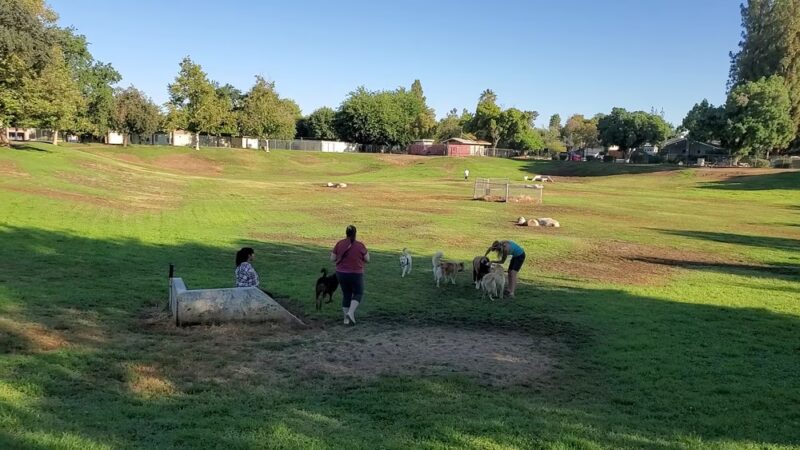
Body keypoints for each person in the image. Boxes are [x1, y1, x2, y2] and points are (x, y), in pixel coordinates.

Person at [331, 225, 370, 325]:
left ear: (346, 233)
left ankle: (346, 320)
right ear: (355, 234)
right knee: (358, 293)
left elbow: (332, 258)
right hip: (356, 273)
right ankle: (351, 312)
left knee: (346, 294)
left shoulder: (339, 243)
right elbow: (367, 259)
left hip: (341, 274)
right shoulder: (360, 245)